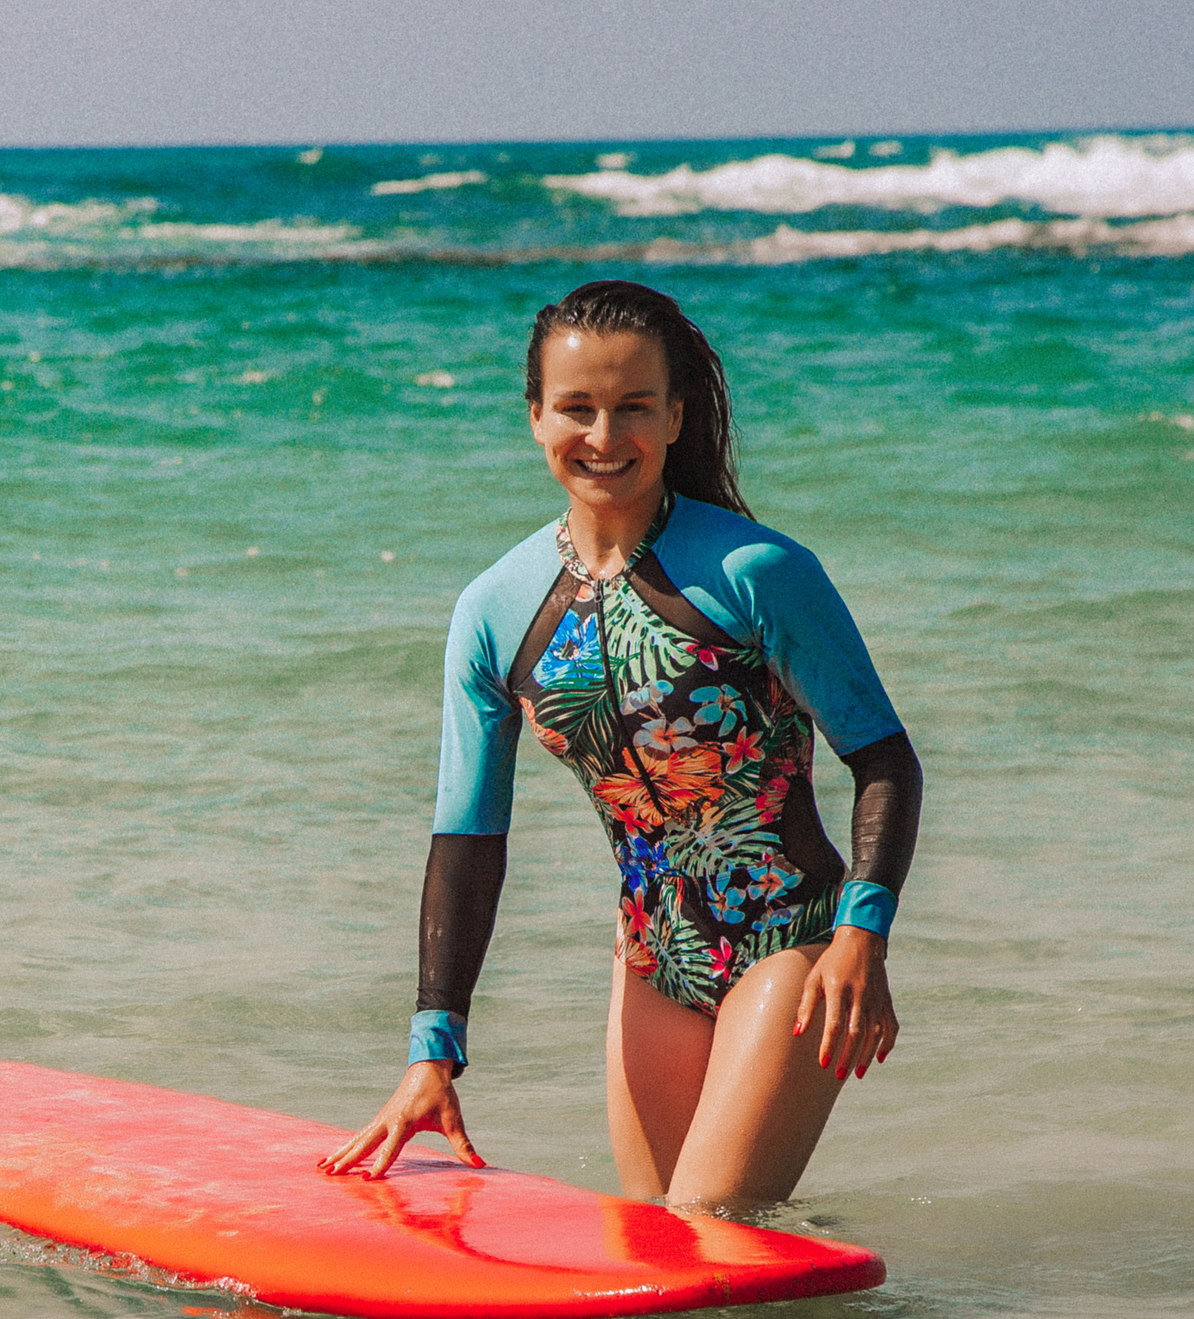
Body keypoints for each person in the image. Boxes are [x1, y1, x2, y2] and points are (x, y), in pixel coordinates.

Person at [319, 281, 922, 1209]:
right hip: (651, 954)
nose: (604, 436)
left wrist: (861, 937)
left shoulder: (758, 573)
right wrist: (431, 1054)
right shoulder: (495, 609)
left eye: (635, 407)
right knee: (660, 1244)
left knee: (710, 1218)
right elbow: (467, 839)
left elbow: (883, 760)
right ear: (534, 416)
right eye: (577, 408)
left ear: (676, 416)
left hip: (793, 938)